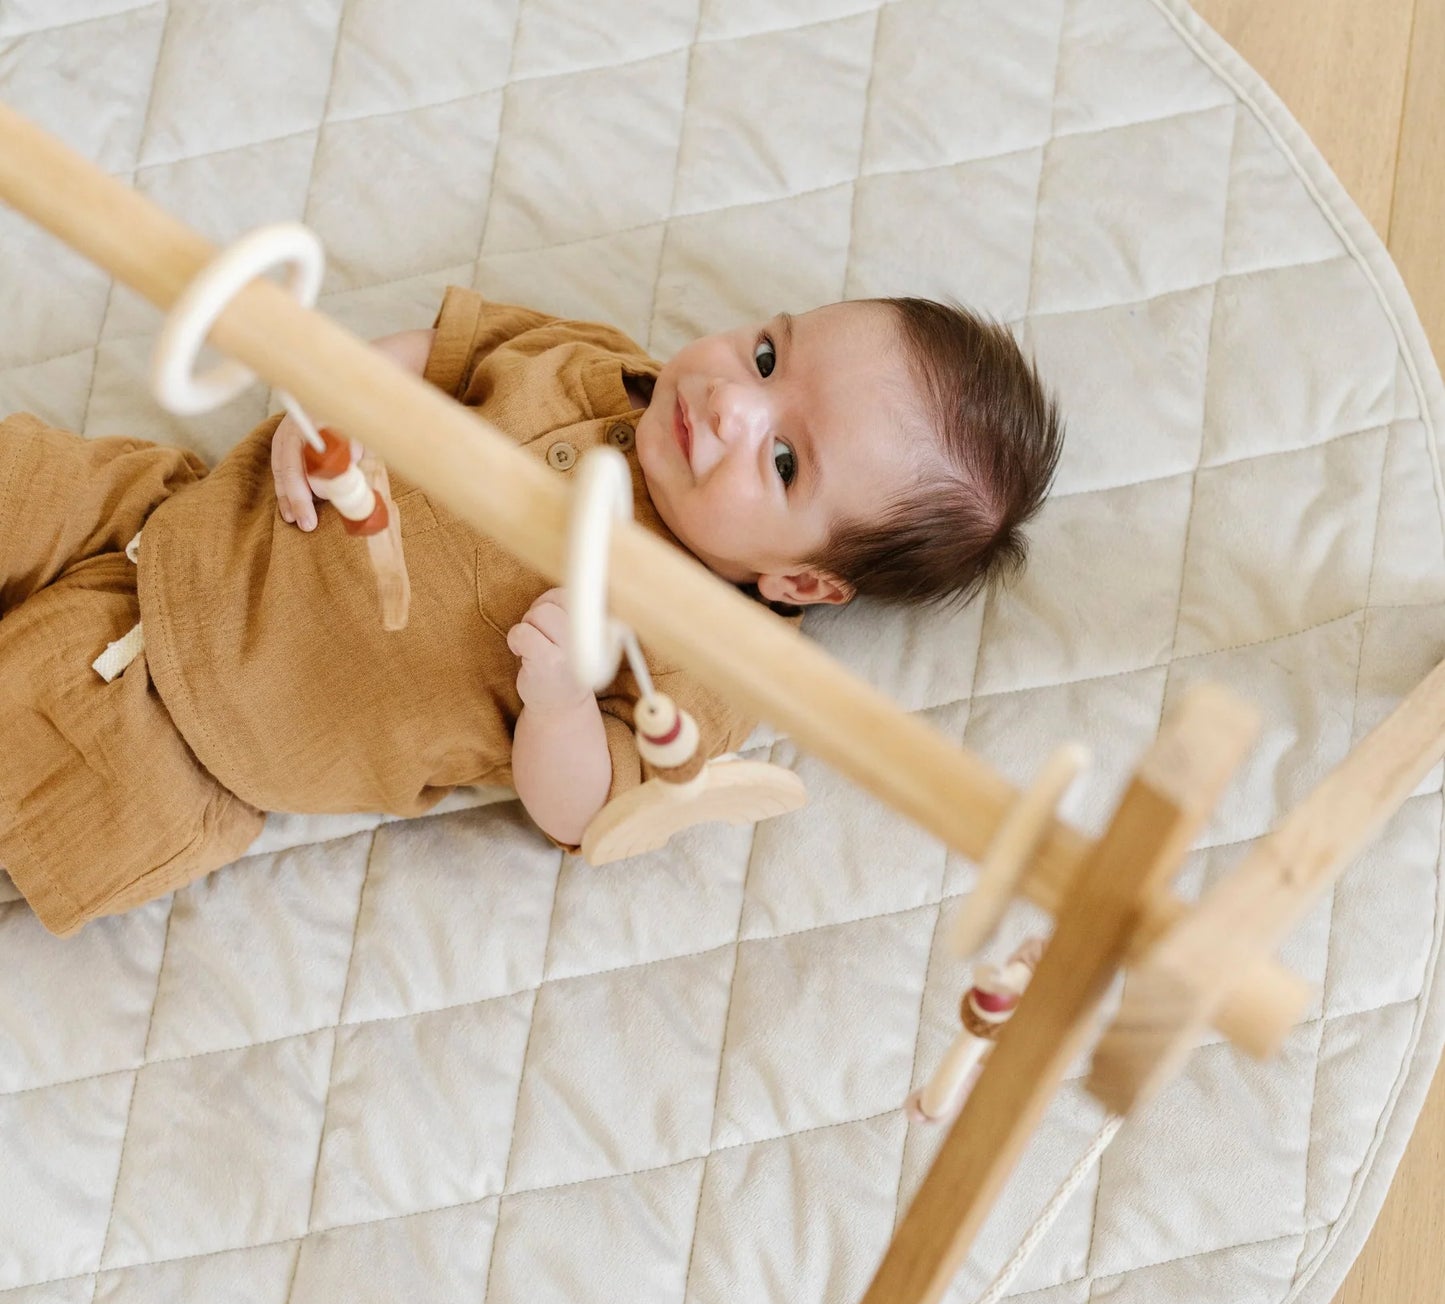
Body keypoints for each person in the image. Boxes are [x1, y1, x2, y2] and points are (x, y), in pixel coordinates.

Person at [0, 286, 1062, 936]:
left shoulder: (696, 659)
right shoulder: (593, 364)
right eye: (767, 355)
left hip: (181, 737)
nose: (731, 401)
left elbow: (587, 809)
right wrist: (334, 400)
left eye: (783, 459)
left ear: (800, 582)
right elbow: (439, 353)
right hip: (151, 510)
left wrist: (556, 697)